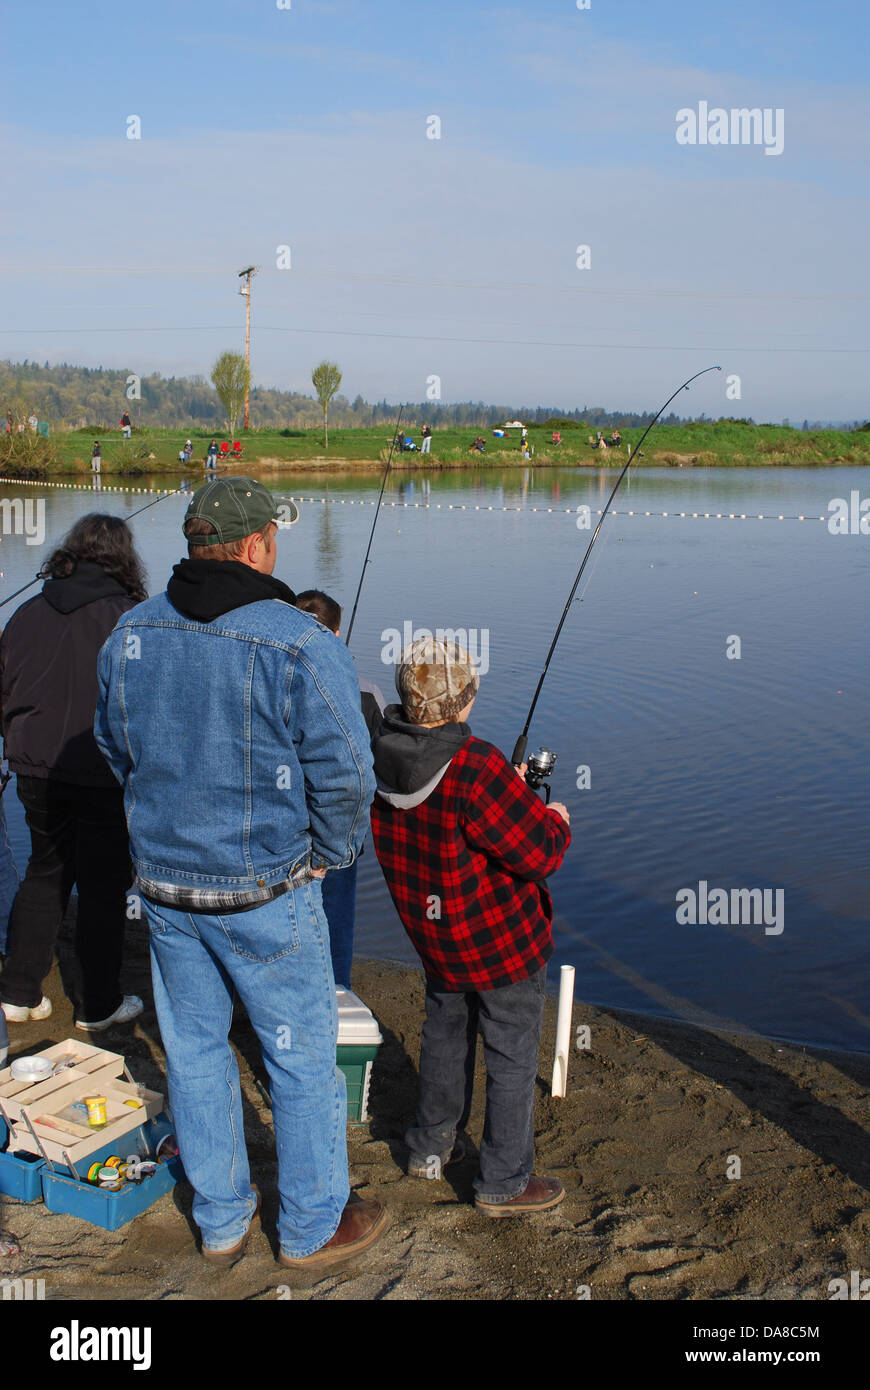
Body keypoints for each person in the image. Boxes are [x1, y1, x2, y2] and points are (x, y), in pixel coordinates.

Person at [94, 477, 386, 1269]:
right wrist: (331, 852)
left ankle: (221, 1220)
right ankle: (311, 1226)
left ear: (196, 544)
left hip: (164, 888)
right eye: (274, 539)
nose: (277, 549)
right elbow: (349, 774)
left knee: (193, 1053)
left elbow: (115, 749)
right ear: (257, 546)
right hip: (266, 890)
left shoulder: (129, 632)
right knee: (298, 1059)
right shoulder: (297, 638)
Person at [370, 637, 571, 1216]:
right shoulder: (477, 766)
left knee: (444, 1037)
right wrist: (554, 818)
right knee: (509, 1056)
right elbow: (539, 854)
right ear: (464, 700)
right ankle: (504, 1182)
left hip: (433, 938)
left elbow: (446, 814)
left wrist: (505, 789)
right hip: (499, 944)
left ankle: (430, 1149)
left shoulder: (382, 753)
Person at [0, 515, 146, 1029]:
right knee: (104, 886)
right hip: (102, 770)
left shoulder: (27, 612)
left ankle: (18, 992)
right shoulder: (131, 617)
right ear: (124, 559)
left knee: (46, 870)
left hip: (33, 767)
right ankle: (98, 1004)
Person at [294, 589, 385, 989]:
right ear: (336, 632)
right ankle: (337, 992)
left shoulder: (269, 680)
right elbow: (376, 765)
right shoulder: (365, 691)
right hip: (342, 833)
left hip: (283, 834)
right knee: (336, 919)